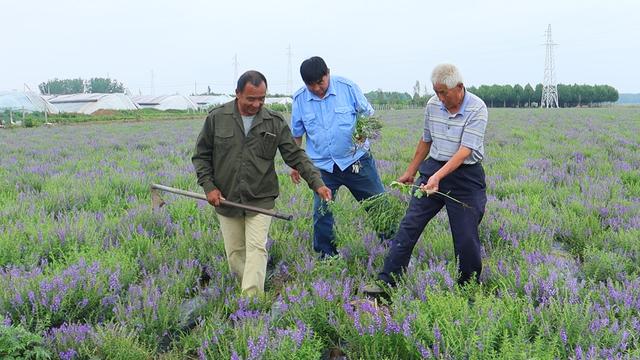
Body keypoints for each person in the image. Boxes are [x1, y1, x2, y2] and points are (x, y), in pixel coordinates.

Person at [192, 70, 332, 296]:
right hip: (226, 198)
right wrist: (209, 187)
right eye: (251, 99)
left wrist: (317, 183)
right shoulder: (217, 118)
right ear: (237, 94)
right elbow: (201, 156)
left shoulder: (273, 122)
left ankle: (251, 302)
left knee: (257, 248)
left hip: (261, 197)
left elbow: (295, 156)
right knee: (236, 252)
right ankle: (244, 291)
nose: (257, 104)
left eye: (262, 98)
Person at [364, 64, 488, 297]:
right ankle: (386, 283)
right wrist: (411, 171)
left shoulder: (477, 108)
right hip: (434, 168)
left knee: (466, 237)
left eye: (444, 92)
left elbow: (464, 151)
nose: (439, 98)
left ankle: (468, 290)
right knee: (409, 226)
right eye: (436, 92)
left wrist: (437, 178)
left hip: (466, 177)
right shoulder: (433, 105)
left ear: (459, 87)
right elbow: (426, 140)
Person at [290, 56, 387, 258]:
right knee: (322, 212)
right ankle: (327, 256)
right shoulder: (299, 99)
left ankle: (394, 247)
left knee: (378, 205)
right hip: (323, 167)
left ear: (328, 73)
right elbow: (297, 134)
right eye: (311, 85)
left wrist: (363, 132)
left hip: (356, 161)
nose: (317, 88)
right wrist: (294, 165)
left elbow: (368, 115)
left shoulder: (347, 87)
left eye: (320, 82)